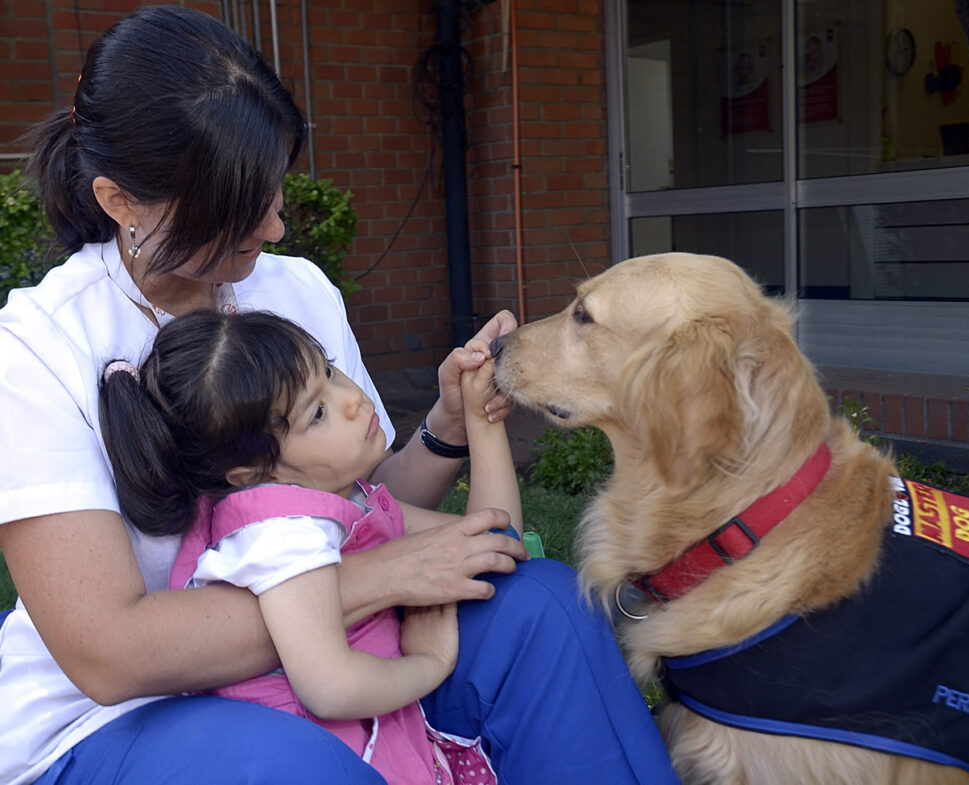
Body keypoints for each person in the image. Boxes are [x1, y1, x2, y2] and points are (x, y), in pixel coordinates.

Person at [0, 5, 682, 785]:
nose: (274, 226)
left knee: (544, 607)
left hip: (345, 643)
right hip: (120, 716)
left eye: (274, 188)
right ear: (122, 203)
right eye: (238, 204)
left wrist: (447, 428)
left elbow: (352, 506)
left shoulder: (293, 290)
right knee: (283, 767)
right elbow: (108, 653)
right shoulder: (39, 347)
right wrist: (375, 581)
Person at [98, 309, 520, 785]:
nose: (351, 401)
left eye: (328, 371)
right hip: (328, 756)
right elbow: (331, 688)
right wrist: (431, 662)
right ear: (252, 473)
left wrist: (481, 419)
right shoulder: (282, 534)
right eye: (316, 413)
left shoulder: (341, 502)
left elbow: (495, 543)